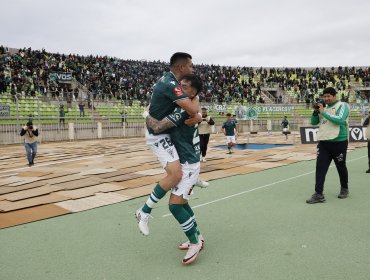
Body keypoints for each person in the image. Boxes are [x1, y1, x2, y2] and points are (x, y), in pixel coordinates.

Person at [135, 52, 201, 236]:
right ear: (181, 67)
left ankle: (194, 178)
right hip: (158, 135)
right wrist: (196, 109)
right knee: (176, 175)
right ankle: (144, 211)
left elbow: (194, 107)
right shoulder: (169, 84)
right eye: (190, 66)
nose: (192, 69)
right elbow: (192, 107)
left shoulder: (172, 81)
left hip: (167, 133)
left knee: (183, 168)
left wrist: (199, 114)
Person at [145, 74, 205, 264]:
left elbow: (158, 127)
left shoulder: (181, 112)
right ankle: (198, 236)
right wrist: (199, 114)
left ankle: (195, 243)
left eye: (185, 87)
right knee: (183, 202)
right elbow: (196, 106)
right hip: (188, 161)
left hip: (188, 164)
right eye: (180, 84)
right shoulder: (188, 106)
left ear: (193, 92)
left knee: (175, 205)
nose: (180, 89)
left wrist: (146, 115)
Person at [306, 87, 350, 204]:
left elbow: (340, 119)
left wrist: (323, 112)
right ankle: (318, 193)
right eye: (324, 96)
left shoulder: (342, 105)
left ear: (334, 96)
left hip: (339, 141)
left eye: (328, 96)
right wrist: (316, 112)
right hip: (324, 142)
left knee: (341, 166)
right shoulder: (322, 108)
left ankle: (344, 188)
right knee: (320, 168)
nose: (326, 99)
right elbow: (314, 122)